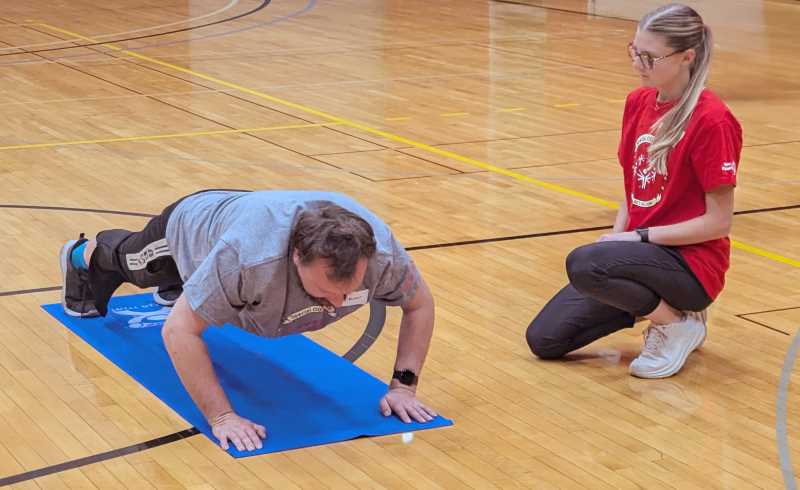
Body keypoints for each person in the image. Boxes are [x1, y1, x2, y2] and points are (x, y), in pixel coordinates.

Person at [60, 189, 437, 451]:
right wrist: (222, 416)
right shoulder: (248, 259)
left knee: (201, 289)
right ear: (295, 257)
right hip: (195, 222)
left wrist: (404, 386)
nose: (337, 303)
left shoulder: (383, 256)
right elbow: (178, 330)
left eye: (348, 289)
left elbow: (420, 304)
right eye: (325, 290)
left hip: (250, 219)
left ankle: (190, 287)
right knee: (135, 264)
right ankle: (80, 256)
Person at [526, 3, 742, 379]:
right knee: (543, 340)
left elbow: (718, 223)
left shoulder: (713, 120)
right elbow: (632, 187)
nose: (638, 63)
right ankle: (662, 308)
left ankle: (676, 324)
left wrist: (634, 239)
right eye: (634, 51)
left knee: (584, 263)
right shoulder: (637, 102)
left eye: (649, 56)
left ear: (686, 56)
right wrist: (618, 236)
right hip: (642, 255)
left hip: (690, 266)